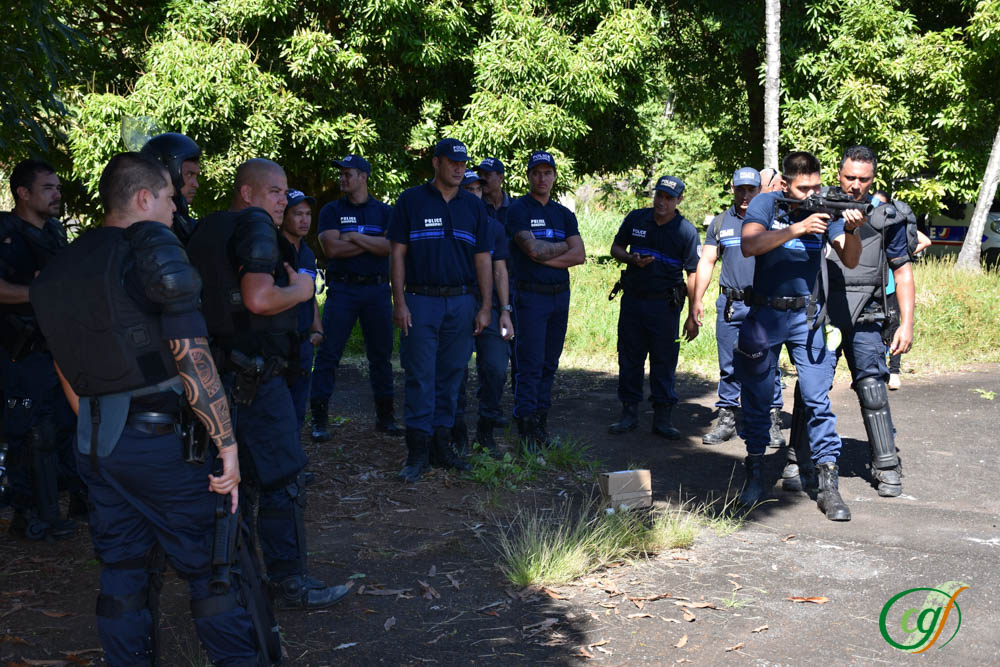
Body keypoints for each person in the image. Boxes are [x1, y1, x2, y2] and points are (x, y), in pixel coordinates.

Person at [30, 152, 263, 664]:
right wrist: (227, 447)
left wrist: (100, 429)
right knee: (213, 568)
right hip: (162, 446)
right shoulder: (150, 252)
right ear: (142, 197)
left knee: (122, 574)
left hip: (97, 444)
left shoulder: (60, 266)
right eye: (167, 195)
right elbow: (191, 356)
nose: (174, 205)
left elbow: (64, 368)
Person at [186, 158, 349, 609]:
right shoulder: (255, 225)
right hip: (255, 380)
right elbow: (258, 298)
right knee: (283, 479)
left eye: (284, 192)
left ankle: (238, 581)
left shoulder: (203, 229)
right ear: (248, 193)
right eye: (275, 191)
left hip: (214, 378)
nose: (284, 200)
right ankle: (289, 582)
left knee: (236, 484)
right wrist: (302, 291)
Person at [737, 150, 864, 521]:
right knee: (758, 397)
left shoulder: (826, 210)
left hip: (806, 318)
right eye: (803, 188)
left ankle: (827, 484)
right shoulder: (765, 204)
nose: (811, 193)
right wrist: (798, 227)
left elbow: (851, 258)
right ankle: (756, 472)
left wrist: (852, 228)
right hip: (765, 313)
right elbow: (749, 245)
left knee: (816, 399)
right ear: (785, 185)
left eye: (816, 185)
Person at [784, 148, 915, 499]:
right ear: (838, 174)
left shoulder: (888, 215)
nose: (855, 185)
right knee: (810, 387)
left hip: (868, 313)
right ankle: (798, 459)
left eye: (863, 179)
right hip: (822, 310)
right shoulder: (816, 204)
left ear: (873, 179)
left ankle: (886, 464)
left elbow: (902, 271)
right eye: (849, 177)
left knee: (873, 387)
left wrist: (908, 324)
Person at [388, 138, 494, 482]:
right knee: (419, 375)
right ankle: (417, 452)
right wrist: (400, 302)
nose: (459, 168)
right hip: (420, 301)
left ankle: (442, 446)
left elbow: (483, 260)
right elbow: (397, 254)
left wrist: (485, 306)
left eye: (463, 163)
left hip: (462, 302)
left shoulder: (474, 206)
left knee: (452, 375)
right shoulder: (411, 200)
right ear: (436, 163)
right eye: (452, 162)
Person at [0, 159, 81, 540]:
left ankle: (66, 506)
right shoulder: (5, 232)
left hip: (55, 350)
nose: (57, 194)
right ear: (23, 192)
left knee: (65, 429)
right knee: (31, 433)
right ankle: (30, 516)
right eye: (48, 188)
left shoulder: (54, 234)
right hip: (18, 352)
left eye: (58, 188)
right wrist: (36, 292)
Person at [689, 168, 785, 447]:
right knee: (729, 365)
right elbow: (706, 262)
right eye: (740, 189)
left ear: (759, 191)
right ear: (732, 188)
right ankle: (728, 418)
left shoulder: (773, 221)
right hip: (731, 304)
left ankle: (771, 421)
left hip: (764, 306)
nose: (745, 195)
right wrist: (697, 300)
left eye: (751, 190)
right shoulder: (720, 223)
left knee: (768, 366)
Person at [311, 155, 403, 441]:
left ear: (363, 176)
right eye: (340, 174)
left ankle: (385, 417)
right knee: (328, 354)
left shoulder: (385, 212)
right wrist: (370, 244)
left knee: (381, 356)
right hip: (343, 290)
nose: (342, 179)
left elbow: (390, 247)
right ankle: (319, 419)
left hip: (376, 290)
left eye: (347, 174)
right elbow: (332, 250)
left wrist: (352, 237)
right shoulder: (331, 211)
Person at [607, 176, 700, 438]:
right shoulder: (637, 219)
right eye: (659, 195)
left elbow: (693, 274)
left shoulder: (686, 231)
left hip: (666, 306)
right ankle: (628, 413)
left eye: (669, 198)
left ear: (679, 200)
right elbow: (616, 248)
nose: (662, 202)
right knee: (629, 357)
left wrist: (693, 313)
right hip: (634, 301)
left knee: (664, 360)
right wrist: (630, 259)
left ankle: (662, 417)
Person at [508, 151, 586, 450]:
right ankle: (525, 426)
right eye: (536, 172)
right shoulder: (518, 210)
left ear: (554, 176)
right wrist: (560, 248)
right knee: (529, 364)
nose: (542, 178)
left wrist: (544, 253)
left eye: (547, 172)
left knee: (549, 363)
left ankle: (541, 423)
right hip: (529, 296)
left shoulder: (563, 214)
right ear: (529, 176)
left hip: (558, 298)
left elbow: (578, 255)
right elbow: (532, 250)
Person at [453, 170, 514, 454]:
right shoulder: (449, 224)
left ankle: (486, 432)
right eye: (469, 190)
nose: (475, 195)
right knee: (455, 372)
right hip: (457, 304)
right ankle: (457, 433)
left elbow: (501, 271)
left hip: (489, 307)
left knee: (496, 368)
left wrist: (504, 310)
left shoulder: (494, 228)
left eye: (479, 190)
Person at [872, 190, 930, 390]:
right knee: (876, 332)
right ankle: (879, 371)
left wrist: (900, 255)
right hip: (872, 289)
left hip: (891, 287)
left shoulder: (895, 224)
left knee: (894, 326)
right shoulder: (868, 223)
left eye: (881, 205)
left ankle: (894, 371)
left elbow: (925, 241)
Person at [280, 190, 323, 430]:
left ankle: (294, 463)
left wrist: (317, 329)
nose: (304, 220)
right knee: (277, 407)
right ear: (284, 215)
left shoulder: (307, 253)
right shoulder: (273, 250)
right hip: (279, 342)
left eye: (308, 214)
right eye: (298, 214)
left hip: (304, 342)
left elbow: (309, 295)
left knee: (298, 407)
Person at [140, 132, 201, 244]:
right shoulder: (146, 231)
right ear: (168, 173)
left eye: (196, 176)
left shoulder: (185, 224)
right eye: (189, 174)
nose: (196, 184)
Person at [476, 157, 513, 224]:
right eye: (479, 175)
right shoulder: (476, 205)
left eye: (487, 175)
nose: (481, 179)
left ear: (501, 177)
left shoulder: (515, 206)